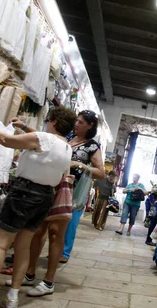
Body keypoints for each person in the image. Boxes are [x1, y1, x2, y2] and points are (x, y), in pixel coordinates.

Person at [0, 107, 77, 308]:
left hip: (24, 192)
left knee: (0, 244)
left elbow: (6, 141)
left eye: (48, 120)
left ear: (53, 121)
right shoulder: (67, 148)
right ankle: (12, 297)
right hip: (46, 196)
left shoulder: (43, 138)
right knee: (23, 246)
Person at [60, 110, 105, 264]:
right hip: (57, 184)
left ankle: (64, 252)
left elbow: (100, 172)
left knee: (70, 223)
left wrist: (80, 165)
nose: (76, 124)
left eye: (81, 122)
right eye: (76, 121)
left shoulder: (92, 146)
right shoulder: (68, 138)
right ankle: (56, 249)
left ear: (90, 126)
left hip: (75, 188)